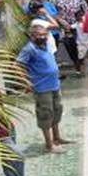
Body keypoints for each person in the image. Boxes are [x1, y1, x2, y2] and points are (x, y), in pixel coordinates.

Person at [16, 21, 69, 153]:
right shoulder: (29, 49)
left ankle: (57, 137)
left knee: (56, 110)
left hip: (54, 85)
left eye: (45, 34)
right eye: (40, 35)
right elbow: (16, 66)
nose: (43, 37)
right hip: (41, 87)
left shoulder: (46, 46)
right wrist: (26, 82)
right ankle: (49, 145)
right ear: (32, 36)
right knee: (45, 115)